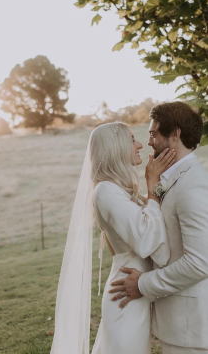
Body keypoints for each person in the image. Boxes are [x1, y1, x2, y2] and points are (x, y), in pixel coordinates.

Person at [50, 121, 174, 354]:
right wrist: (153, 187)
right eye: (131, 139)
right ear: (115, 147)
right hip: (126, 293)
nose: (139, 144)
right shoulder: (106, 190)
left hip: (132, 288)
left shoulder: (117, 190)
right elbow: (146, 240)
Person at [109, 102, 208, 354]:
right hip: (177, 325)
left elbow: (200, 262)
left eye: (153, 133)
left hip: (191, 328)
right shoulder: (175, 179)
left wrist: (143, 284)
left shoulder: (192, 185)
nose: (149, 141)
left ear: (175, 134)